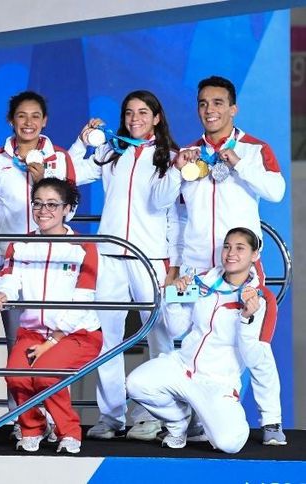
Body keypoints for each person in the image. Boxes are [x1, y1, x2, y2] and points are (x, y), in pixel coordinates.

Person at [154, 75, 287, 445]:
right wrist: (177, 168)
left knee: (253, 347)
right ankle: (193, 419)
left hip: (240, 269)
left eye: (217, 103)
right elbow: (169, 210)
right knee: (188, 341)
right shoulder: (188, 153)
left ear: (233, 108)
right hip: (197, 269)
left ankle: (271, 421)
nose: (209, 110)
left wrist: (239, 163)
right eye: (203, 104)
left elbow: (276, 191)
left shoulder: (254, 149)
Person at [68, 90, 181, 441]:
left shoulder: (172, 159)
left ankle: (155, 415)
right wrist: (82, 141)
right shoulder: (111, 152)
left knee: (160, 337)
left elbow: (171, 213)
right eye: (129, 112)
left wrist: (175, 263)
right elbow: (71, 173)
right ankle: (112, 416)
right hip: (110, 255)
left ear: (157, 118)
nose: (135, 118)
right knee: (108, 339)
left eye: (143, 112)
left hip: (151, 258)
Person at [127, 227, 274, 453]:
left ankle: (211, 418)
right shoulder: (203, 282)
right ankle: (178, 423)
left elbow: (255, 358)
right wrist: (174, 297)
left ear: (254, 255)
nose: (231, 253)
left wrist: (246, 319)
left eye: (240, 248)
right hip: (182, 368)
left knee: (229, 443)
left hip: (217, 383)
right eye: (227, 247)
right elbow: (175, 330)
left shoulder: (260, 300)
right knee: (136, 383)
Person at [0, 178, 101, 454]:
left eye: (52, 204)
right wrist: (1, 294)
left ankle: (68, 432)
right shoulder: (21, 245)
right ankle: (33, 427)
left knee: (47, 376)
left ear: (67, 209)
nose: (43, 210)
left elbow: (82, 300)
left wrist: (52, 342)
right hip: (33, 332)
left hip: (77, 334)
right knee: (16, 377)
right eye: (37, 203)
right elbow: (9, 279)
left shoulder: (83, 247)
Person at [0, 91, 76, 433]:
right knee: (17, 343)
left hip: (53, 262)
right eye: (21, 116)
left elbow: (71, 211)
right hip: (11, 261)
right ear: (11, 120)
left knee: (54, 341)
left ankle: (54, 418)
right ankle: (23, 419)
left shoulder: (60, 158)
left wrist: (42, 182)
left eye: (35, 116)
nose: (28, 122)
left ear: (45, 121)